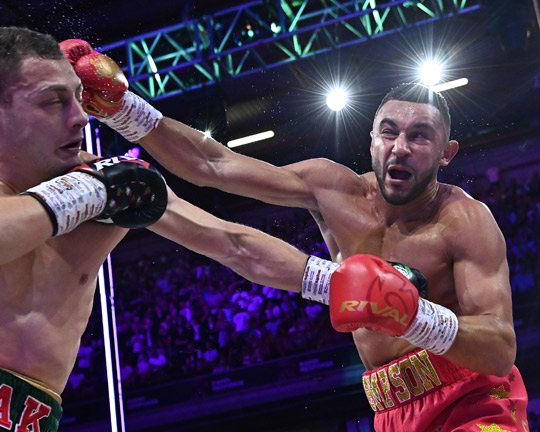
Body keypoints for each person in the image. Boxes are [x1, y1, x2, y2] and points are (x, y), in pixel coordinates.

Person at [0, 27, 320, 432]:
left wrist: (334, 283)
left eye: (78, 97)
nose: (81, 118)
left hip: (35, 418)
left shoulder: (108, 184)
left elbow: (232, 244)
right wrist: (88, 192)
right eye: (54, 101)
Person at [80, 44, 530, 431]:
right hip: (390, 409)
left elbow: (498, 349)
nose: (400, 147)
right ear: (371, 139)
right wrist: (123, 109)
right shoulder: (332, 188)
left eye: (420, 137)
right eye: (389, 132)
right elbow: (213, 165)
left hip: (474, 402)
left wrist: (414, 315)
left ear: (446, 153)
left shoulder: (465, 220)